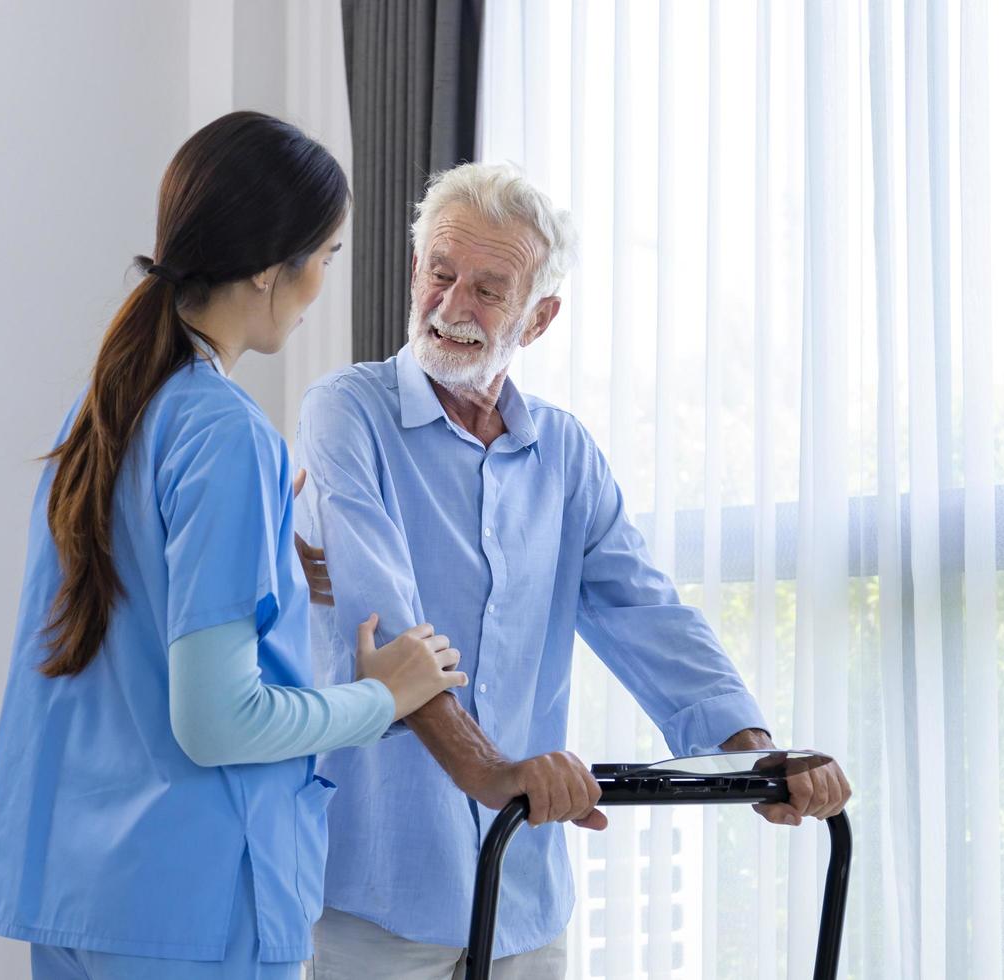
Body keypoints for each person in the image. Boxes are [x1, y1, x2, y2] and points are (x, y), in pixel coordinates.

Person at [293, 163, 852, 979]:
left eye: (489, 289)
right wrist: (491, 772)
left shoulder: (564, 452)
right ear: (415, 273)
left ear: (540, 315)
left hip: (522, 892)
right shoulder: (347, 412)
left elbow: (645, 612)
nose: (453, 307)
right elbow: (382, 622)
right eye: (441, 275)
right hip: (372, 891)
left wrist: (750, 755)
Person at [0, 111, 466, 980]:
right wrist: (378, 699)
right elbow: (215, 721)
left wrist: (270, 556)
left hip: (84, 899)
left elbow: (130, 637)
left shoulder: (108, 412)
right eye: (326, 258)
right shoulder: (224, 429)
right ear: (275, 270)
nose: (321, 286)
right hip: (193, 912)